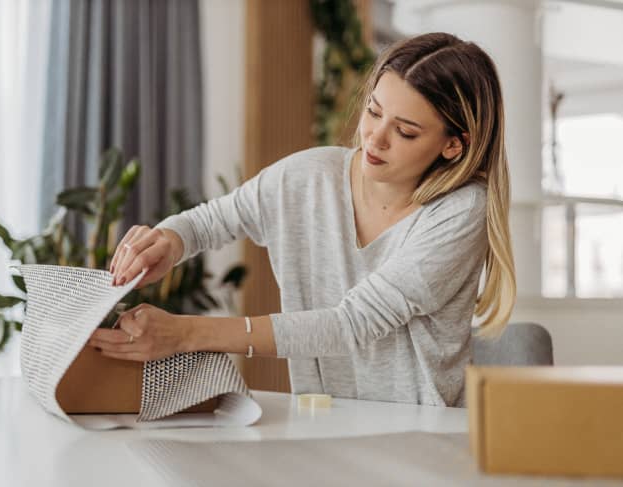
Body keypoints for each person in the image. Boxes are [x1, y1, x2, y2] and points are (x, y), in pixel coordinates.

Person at [86, 32, 516, 407]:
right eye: (373, 110)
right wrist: (168, 240)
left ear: (454, 146)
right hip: (321, 424)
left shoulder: (461, 212)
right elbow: (208, 222)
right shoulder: (307, 176)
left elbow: (351, 323)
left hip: (422, 438)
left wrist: (183, 335)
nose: (375, 137)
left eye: (405, 131)